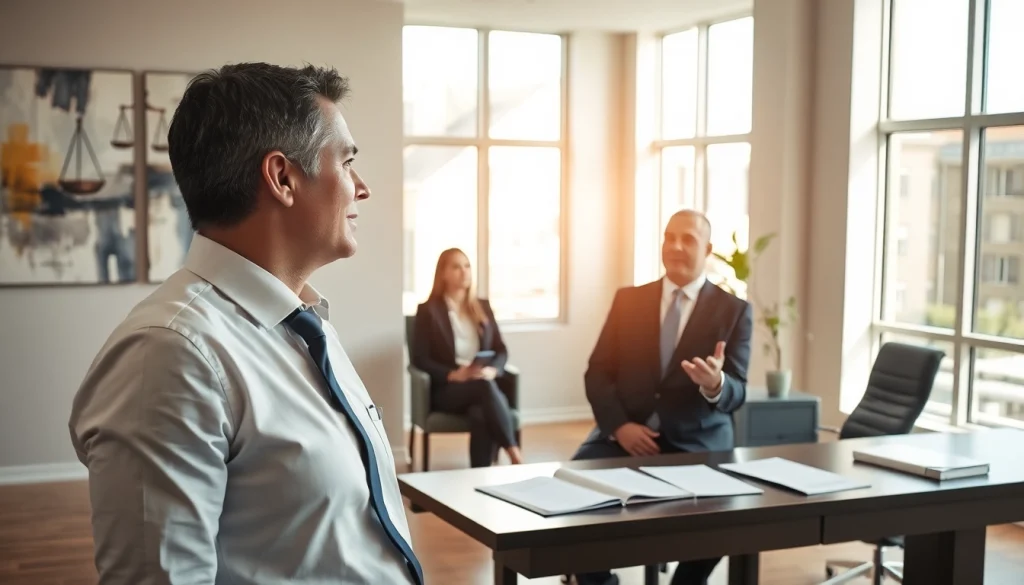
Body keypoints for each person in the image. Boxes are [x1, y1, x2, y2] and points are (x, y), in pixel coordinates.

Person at [67, 63, 423, 585]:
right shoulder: (169, 355)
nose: (361, 188)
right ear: (282, 178)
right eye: (347, 162)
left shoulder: (304, 326)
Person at [572, 209, 753, 585]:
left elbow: (737, 391)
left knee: (722, 520)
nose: (675, 246)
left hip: (698, 444)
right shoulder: (628, 301)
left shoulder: (734, 311)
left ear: (708, 250)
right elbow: (597, 372)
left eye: (688, 239)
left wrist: (715, 384)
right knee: (571, 496)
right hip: (624, 435)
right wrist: (620, 426)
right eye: (669, 237)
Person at [411, 248, 523, 467]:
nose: (464, 272)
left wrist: (492, 370)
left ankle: (480, 475)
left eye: (467, 266)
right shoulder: (428, 310)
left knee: (480, 413)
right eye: (456, 267)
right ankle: (514, 453)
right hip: (448, 390)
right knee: (484, 387)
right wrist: (453, 375)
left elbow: (501, 350)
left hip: (482, 384)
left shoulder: (482, 307)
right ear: (443, 273)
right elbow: (420, 359)